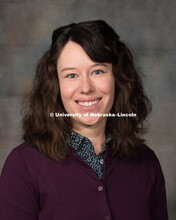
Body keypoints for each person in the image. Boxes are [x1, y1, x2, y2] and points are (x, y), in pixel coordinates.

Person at [0, 20, 168, 220]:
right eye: (71, 75)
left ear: (118, 77)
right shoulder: (22, 166)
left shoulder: (146, 162)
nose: (86, 87)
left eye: (97, 71)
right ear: (56, 86)